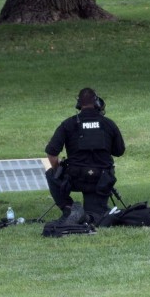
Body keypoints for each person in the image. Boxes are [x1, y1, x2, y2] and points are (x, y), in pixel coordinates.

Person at [45, 87, 126, 225]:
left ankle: (68, 208)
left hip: (75, 178)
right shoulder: (108, 124)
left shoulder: (68, 124)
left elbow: (52, 154)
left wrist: (58, 170)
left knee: (51, 174)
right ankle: (87, 214)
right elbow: (119, 151)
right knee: (94, 216)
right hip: (101, 180)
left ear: (79, 104)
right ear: (97, 103)